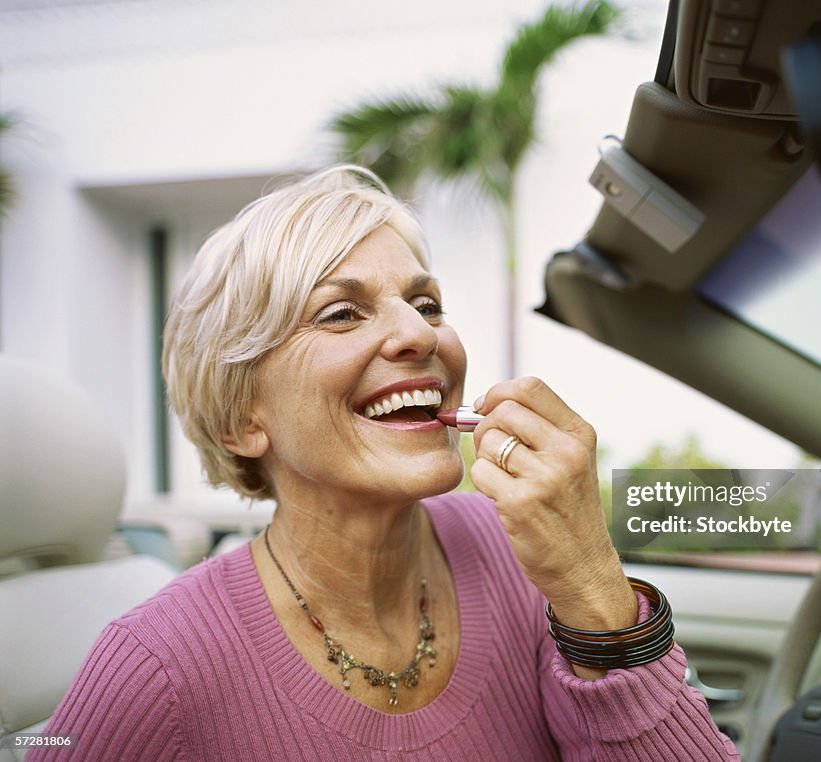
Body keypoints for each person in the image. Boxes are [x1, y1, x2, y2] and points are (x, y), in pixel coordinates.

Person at [32, 167, 740, 761]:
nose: (418, 333)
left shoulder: (511, 544)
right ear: (240, 418)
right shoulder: (154, 667)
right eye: (341, 314)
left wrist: (591, 586)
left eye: (426, 303)